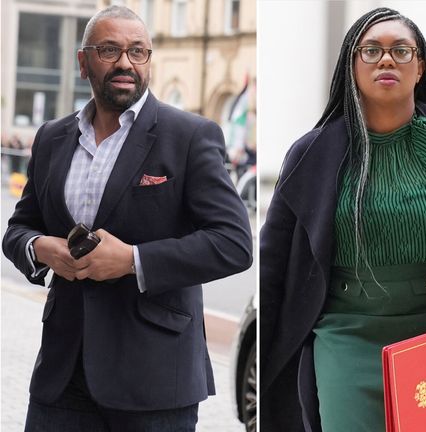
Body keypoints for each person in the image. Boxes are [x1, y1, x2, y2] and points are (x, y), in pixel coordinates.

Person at [2, 6, 253, 431]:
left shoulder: (190, 136)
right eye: (109, 49)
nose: (125, 62)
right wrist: (40, 248)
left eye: (138, 51)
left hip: (154, 377)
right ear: (83, 62)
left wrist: (134, 260)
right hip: (62, 375)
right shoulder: (51, 138)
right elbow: (18, 229)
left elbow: (234, 242)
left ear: (149, 61)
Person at [259, 7, 426, 432]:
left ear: (420, 67)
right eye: (371, 51)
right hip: (344, 336)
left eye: (400, 51)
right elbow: (273, 265)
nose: (386, 60)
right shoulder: (311, 155)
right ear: (352, 65)